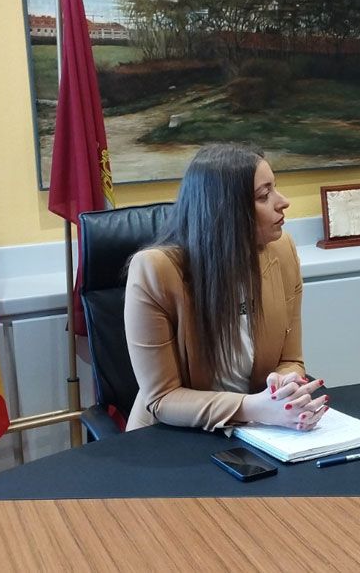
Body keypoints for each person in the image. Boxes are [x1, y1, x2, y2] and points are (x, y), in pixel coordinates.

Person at [123, 143, 330, 432]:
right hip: (171, 436)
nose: (282, 201)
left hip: (259, 430)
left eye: (275, 188)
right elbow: (162, 398)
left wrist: (284, 384)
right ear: (225, 210)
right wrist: (252, 407)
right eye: (263, 195)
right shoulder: (155, 270)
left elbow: (291, 359)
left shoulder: (281, 251)